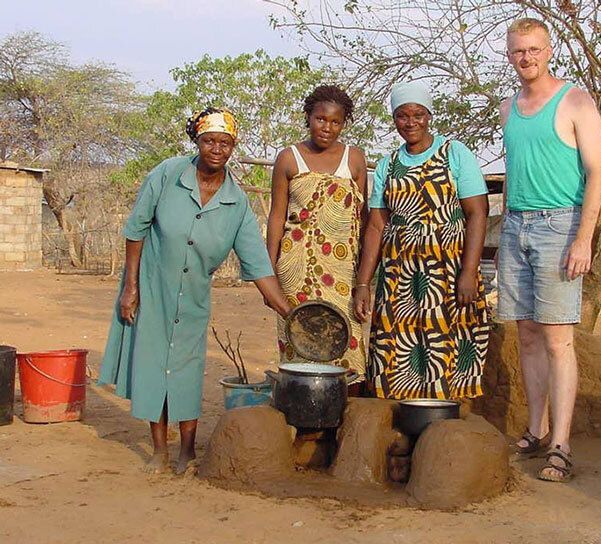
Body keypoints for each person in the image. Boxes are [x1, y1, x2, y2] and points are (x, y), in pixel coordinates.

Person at [98, 107, 290, 475]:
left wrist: (289, 311)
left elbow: (258, 264)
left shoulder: (236, 203)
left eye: (225, 142)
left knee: (186, 370)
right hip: (152, 288)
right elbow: (135, 230)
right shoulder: (168, 175)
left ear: (233, 146)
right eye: (209, 141)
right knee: (155, 368)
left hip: (194, 296)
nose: (217, 149)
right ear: (197, 142)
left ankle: (187, 450)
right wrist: (131, 287)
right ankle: (159, 451)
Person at [498, 18, 601, 482]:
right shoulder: (507, 108)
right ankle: (536, 429)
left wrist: (583, 238)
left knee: (558, 339)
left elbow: (597, 173)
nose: (527, 58)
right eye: (519, 51)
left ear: (549, 50)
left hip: (559, 225)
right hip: (516, 224)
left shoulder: (576, 101)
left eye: (534, 50)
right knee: (526, 334)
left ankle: (561, 445)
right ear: (509, 55)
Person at [354, 81, 490, 400]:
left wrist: (468, 272)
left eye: (417, 114)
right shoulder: (388, 164)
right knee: (397, 344)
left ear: (429, 115)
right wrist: (363, 283)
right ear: (394, 119)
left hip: (448, 270)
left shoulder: (454, 153)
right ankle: (400, 417)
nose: (410, 122)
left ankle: (443, 418)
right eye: (402, 116)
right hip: (400, 275)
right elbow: (375, 225)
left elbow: (478, 212)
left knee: (445, 339)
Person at [268, 85, 369, 374]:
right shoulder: (289, 158)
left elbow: (361, 220)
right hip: (295, 267)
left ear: (343, 123)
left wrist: (363, 277)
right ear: (308, 118)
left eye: (335, 122)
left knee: (347, 345)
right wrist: (270, 272)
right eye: (321, 119)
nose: (327, 127)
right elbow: (277, 216)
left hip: (343, 269)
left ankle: (344, 415)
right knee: (300, 339)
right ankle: (301, 415)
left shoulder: (354, 158)